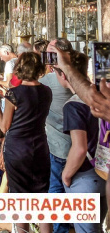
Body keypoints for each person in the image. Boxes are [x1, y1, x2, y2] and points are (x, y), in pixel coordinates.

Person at [0, 52, 52, 233]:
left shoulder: (14, 93)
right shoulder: (46, 91)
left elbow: (4, 127)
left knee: (19, 198)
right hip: (40, 145)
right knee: (42, 199)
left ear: (20, 68)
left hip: (17, 148)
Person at [58, 51, 107, 233]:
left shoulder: (74, 105)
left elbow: (79, 148)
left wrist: (66, 175)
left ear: (63, 75)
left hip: (86, 175)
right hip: (105, 172)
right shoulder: (102, 97)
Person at [39, 38, 74, 233]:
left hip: (57, 148)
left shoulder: (47, 82)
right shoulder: (80, 78)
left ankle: (59, 229)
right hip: (78, 148)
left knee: (54, 192)